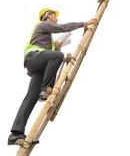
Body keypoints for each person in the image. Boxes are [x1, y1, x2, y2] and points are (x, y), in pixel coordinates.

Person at [8, 8, 97, 145]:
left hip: (38, 66)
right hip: (33, 59)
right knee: (58, 56)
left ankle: (16, 133)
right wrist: (84, 24)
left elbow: (50, 57)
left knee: (31, 97)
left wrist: (57, 47)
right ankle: (46, 89)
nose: (57, 18)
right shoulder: (42, 25)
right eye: (55, 16)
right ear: (47, 16)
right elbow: (62, 28)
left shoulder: (47, 39)